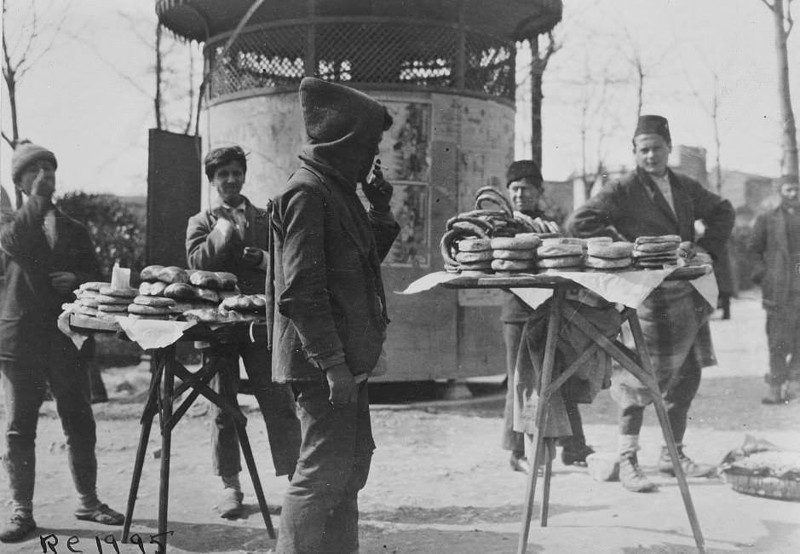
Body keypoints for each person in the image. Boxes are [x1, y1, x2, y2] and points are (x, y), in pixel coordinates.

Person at [566, 115, 735, 493]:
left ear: (668, 148)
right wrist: (626, 250)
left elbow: (723, 210)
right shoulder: (624, 188)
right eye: (643, 149)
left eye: (657, 148)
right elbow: (580, 221)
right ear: (635, 152)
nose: (651, 155)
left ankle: (673, 454)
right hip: (647, 299)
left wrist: (706, 248)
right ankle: (628, 459)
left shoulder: (684, 186)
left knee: (688, 375)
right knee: (637, 378)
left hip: (687, 293)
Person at [268, 77, 399, 554]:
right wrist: (333, 365)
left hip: (341, 359)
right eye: (371, 143)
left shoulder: (335, 189)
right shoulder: (307, 193)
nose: (375, 155)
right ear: (346, 141)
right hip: (321, 363)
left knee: (348, 469)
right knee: (320, 474)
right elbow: (302, 292)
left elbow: (358, 265)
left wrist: (379, 209)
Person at [0, 140, 124, 542]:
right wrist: (35, 202)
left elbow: (97, 278)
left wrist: (76, 279)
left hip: (66, 338)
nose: (45, 177)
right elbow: (15, 241)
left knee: (79, 421)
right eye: (34, 172)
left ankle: (88, 501)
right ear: (19, 183)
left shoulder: (74, 228)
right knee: (19, 429)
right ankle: (22, 510)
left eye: (49, 170)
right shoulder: (9, 225)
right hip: (20, 341)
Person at [185, 145, 302, 518]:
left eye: (237, 172)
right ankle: (230, 486)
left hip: (258, 324)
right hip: (216, 327)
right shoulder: (200, 222)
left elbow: (288, 258)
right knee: (224, 406)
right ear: (212, 180)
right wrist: (222, 230)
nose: (231, 180)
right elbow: (197, 264)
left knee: (279, 402)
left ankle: (298, 486)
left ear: (244, 175)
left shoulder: (265, 216)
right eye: (223, 175)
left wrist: (265, 259)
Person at [501, 160, 594, 473]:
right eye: (514, 189)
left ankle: (574, 446)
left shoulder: (549, 225)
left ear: (539, 191)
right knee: (521, 381)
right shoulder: (502, 225)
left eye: (527, 189)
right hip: (518, 313)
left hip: (552, 309)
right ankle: (518, 452)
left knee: (560, 375)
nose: (520, 195)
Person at [748, 179, 800, 404]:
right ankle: (775, 386)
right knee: (777, 339)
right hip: (779, 287)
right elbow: (753, 250)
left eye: (797, 190)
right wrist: (764, 276)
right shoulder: (767, 218)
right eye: (789, 189)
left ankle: (795, 383)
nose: (794, 194)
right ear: (780, 192)